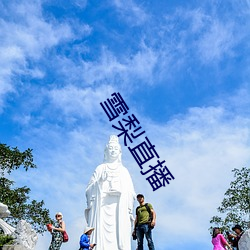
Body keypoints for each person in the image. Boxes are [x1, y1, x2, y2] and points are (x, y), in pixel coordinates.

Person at [85, 135, 136, 250]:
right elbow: (88, 190)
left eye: (115, 149)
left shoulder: (124, 171)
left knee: (119, 236)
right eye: (111, 148)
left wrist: (122, 192)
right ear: (106, 151)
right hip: (101, 208)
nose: (113, 151)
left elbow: (131, 193)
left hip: (119, 208)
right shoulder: (100, 169)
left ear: (120, 152)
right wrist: (100, 181)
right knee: (100, 237)